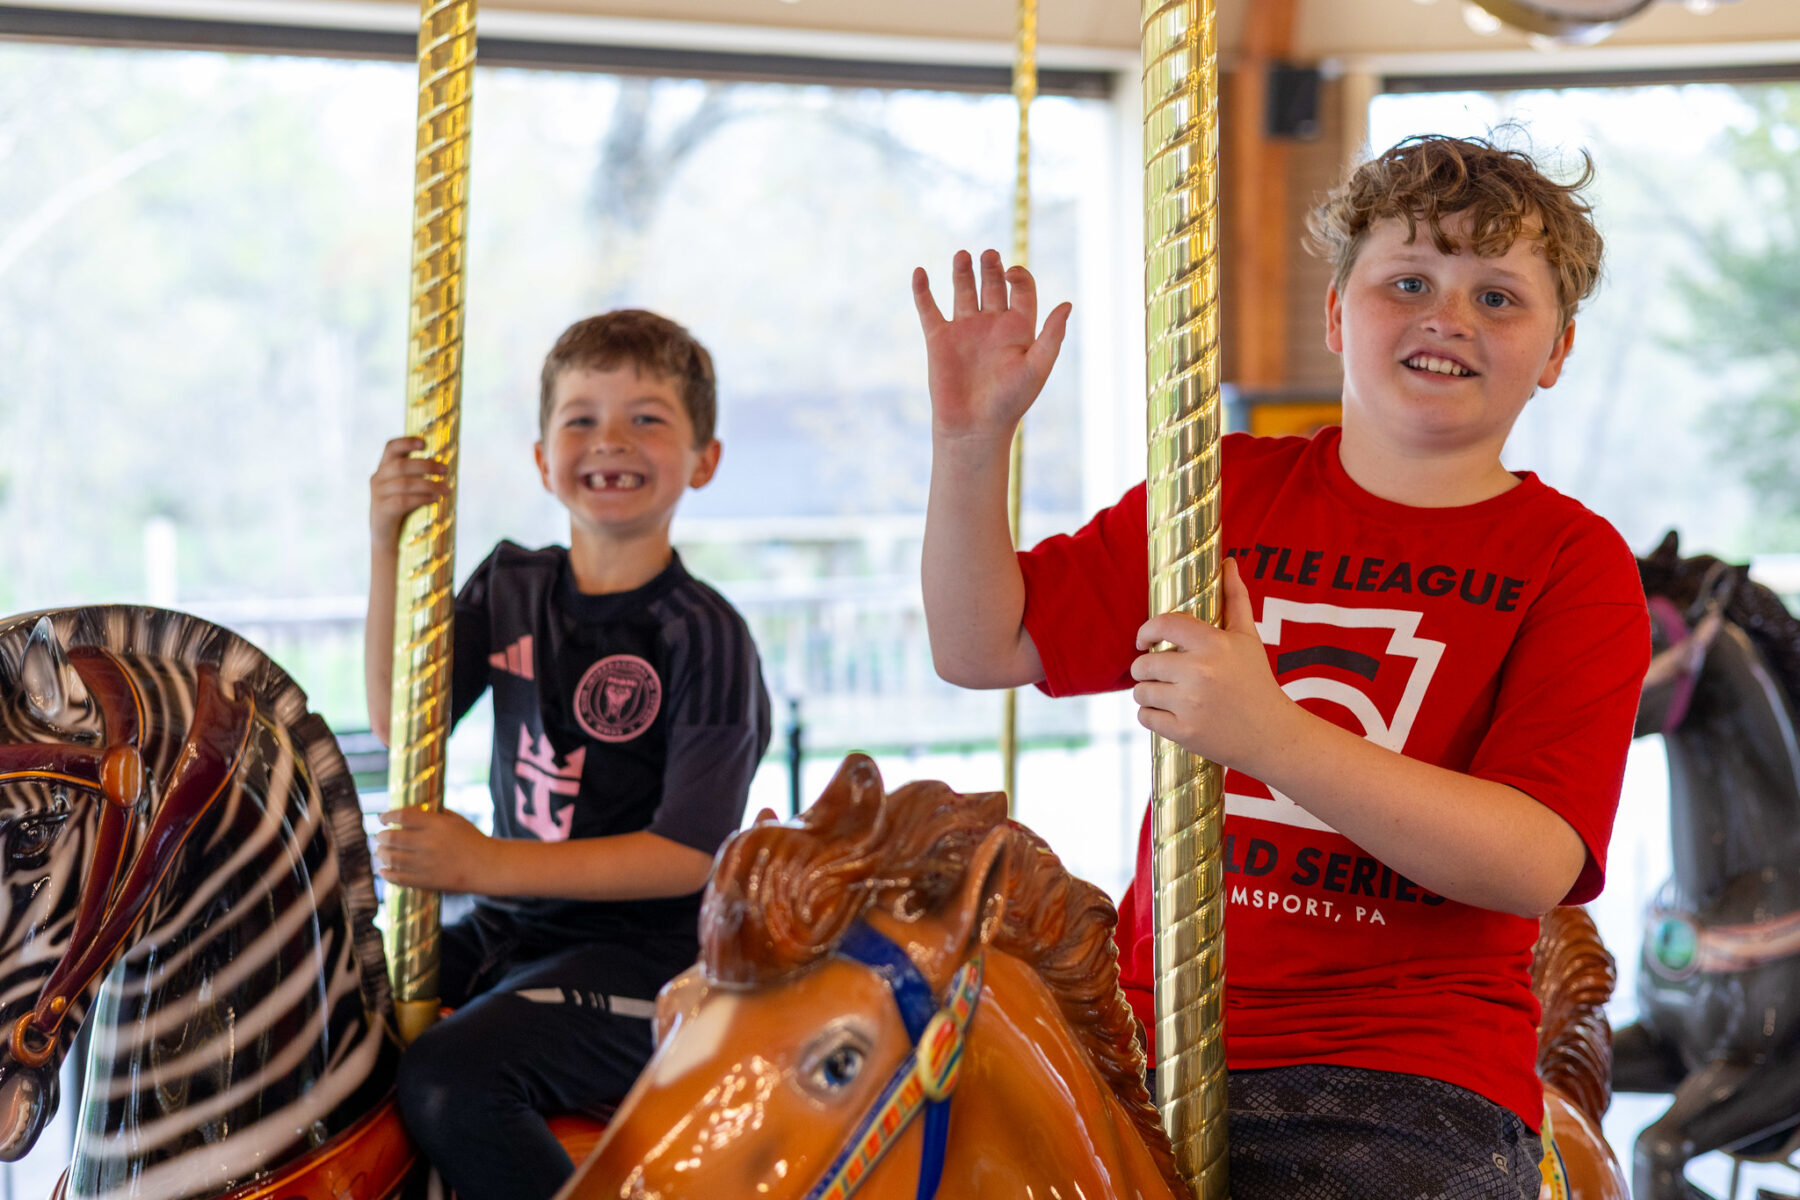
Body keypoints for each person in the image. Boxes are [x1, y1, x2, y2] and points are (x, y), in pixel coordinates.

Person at [913, 134, 1649, 1199]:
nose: (1448, 316)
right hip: (1138, 1028)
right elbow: (981, 644)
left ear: (1558, 351)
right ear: (1337, 314)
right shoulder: (1220, 492)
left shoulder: (1571, 564)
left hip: (1401, 1070)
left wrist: (1268, 736)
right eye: (1409, 281)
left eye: (1498, 298)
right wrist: (970, 443)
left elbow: (1532, 860)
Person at [364, 309, 771, 1200]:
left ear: (704, 459)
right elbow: (405, 728)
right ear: (544, 459)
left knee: (449, 1077)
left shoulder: (705, 637)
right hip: (519, 934)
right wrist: (387, 543)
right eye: (580, 418)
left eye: (647, 418)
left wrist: (484, 861)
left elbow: (686, 855)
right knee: (342, 1017)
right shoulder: (512, 585)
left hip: (652, 962)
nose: (609, 440)